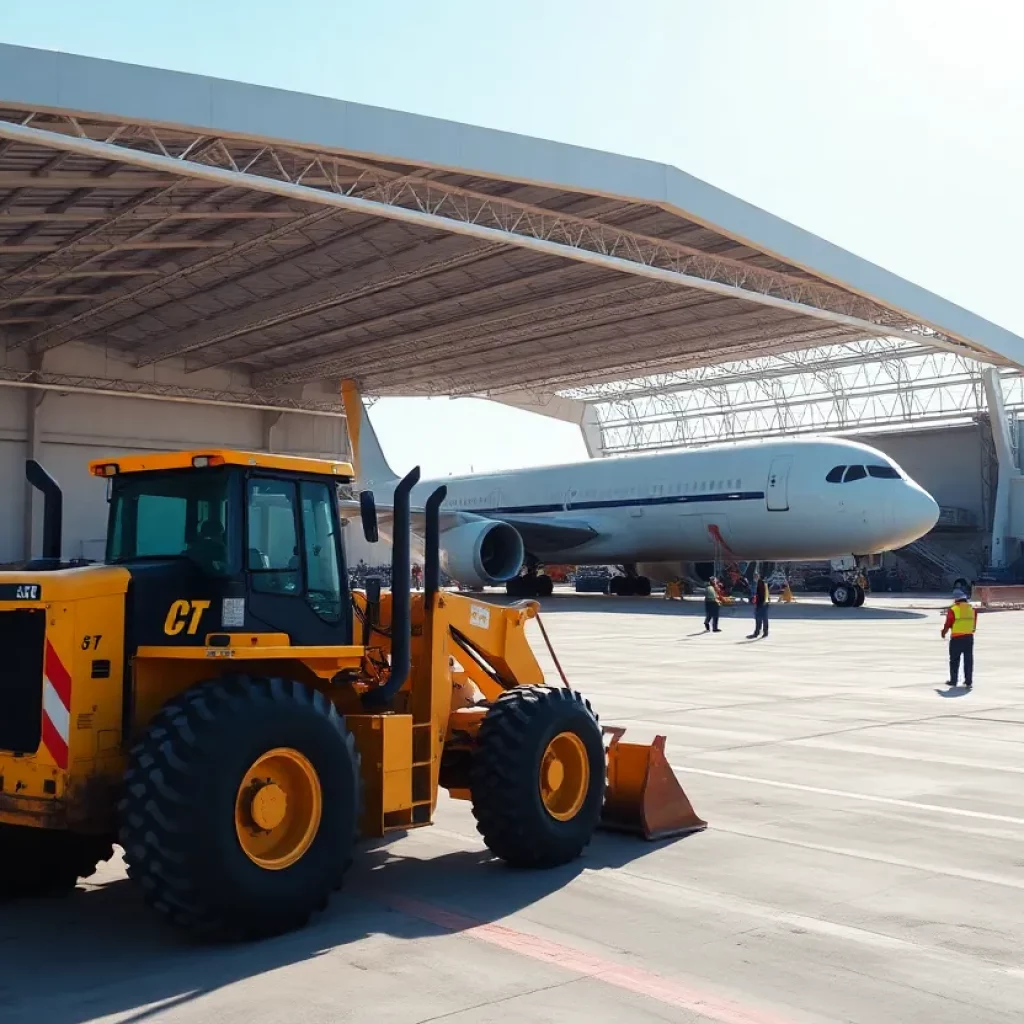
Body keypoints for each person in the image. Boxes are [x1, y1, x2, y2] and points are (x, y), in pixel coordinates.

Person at [941, 588, 976, 689]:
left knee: (954, 660)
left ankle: (953, 680)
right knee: (968, 660)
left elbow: (948, 623)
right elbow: (974, 625)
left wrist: (944, 632)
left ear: (956, 599)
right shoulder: (972, 609)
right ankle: (968, 681)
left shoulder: (953, 609)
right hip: (969, 637)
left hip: (957, 638)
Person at [748, 573, 770, 638]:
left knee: (763, 618)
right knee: (758, 618)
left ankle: (764, 632)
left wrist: (765, 601)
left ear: (758, 577)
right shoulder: (756, 583)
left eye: (756, 577)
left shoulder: (762, 583)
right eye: (754, 577)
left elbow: (766, 593)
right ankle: (758, 631)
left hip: (763, 603)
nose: (755, 578)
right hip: (759, 603)